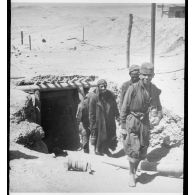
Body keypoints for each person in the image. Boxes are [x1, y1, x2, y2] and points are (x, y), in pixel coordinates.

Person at [120, 62, 163, 187]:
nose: (146, 78)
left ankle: (134, 169)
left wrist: (158, 117)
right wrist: (123, 126)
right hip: (132, 120)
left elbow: (159, 107)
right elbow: (124, 107)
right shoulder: (132, 88)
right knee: (134, 150)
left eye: (149, 75)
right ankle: (131, 175)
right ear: (140, 75)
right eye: (144, 75)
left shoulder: (153, 89)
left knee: (143, 149)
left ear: (153, 75)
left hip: (145, 122)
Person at [88, 79, 120, 156]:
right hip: (99, 120)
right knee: (98, 135)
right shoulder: (94, 97)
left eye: (105, 86)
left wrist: (117, 116)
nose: (103, 88)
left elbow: (115, 107)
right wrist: (92, 124)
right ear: (98, 87)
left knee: (109, 135)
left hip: (109, 119)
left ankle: (106, 150)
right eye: (101, 87)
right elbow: (91, 113)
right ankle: (97, 150)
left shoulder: (110, 94)